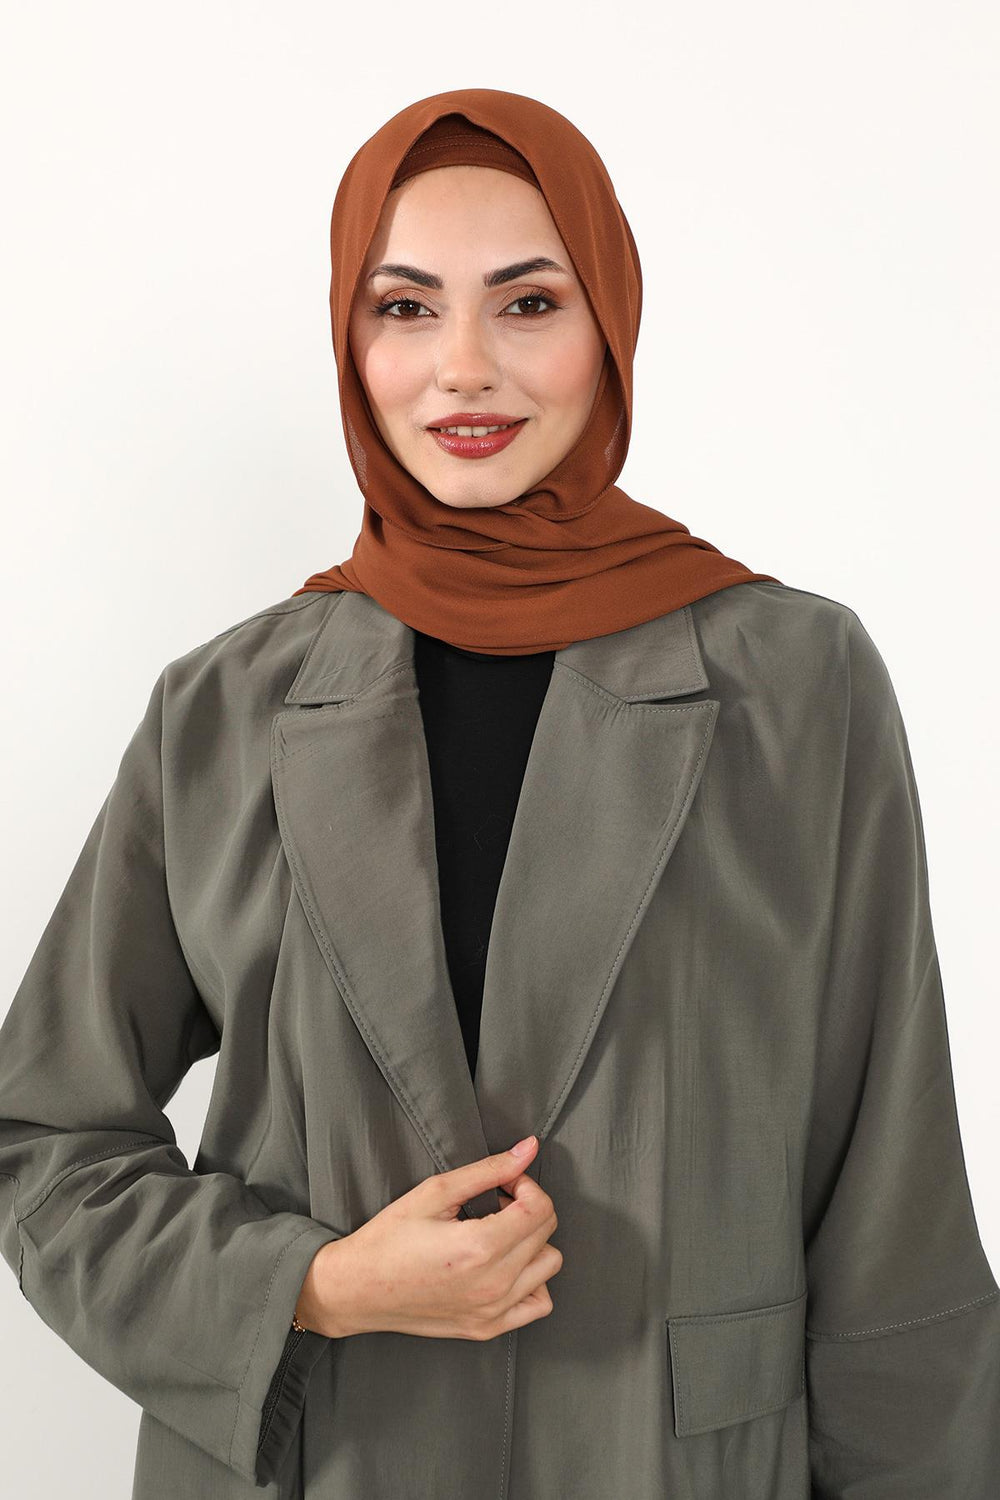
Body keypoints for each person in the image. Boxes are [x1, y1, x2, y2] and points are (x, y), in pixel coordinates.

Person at [1, 87, 997, 1499]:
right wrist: (318, 1287)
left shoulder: (797, 685)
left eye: (528, 303)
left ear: (611, 327)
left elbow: (894, 1203)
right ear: (350, 341)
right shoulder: (222, 710)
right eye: (405, 309)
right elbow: (44, 1137)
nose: (463, 368)